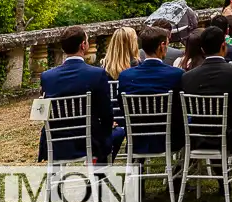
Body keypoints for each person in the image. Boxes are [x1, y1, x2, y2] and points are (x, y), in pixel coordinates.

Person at [180, 26, 232, 192]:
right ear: (224, 46)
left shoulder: (188, 77)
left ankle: (222, 180)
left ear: (202, 49)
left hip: (199, 137)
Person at [38, 26, 116, 165]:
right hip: (88, 141)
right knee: (116, 133)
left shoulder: (47, 77)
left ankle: (57, 182)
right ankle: (96, 178)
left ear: (63, 48)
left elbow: (43, 112)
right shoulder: (96, 74)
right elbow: (106, 113)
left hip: (56, 141)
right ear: (83, 45)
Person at [117, 26, 185, 156]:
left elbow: (122, 105)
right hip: (170, 139)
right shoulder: (177, 74)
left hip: (137, 138)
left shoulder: (126, 76)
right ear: (162, 45)